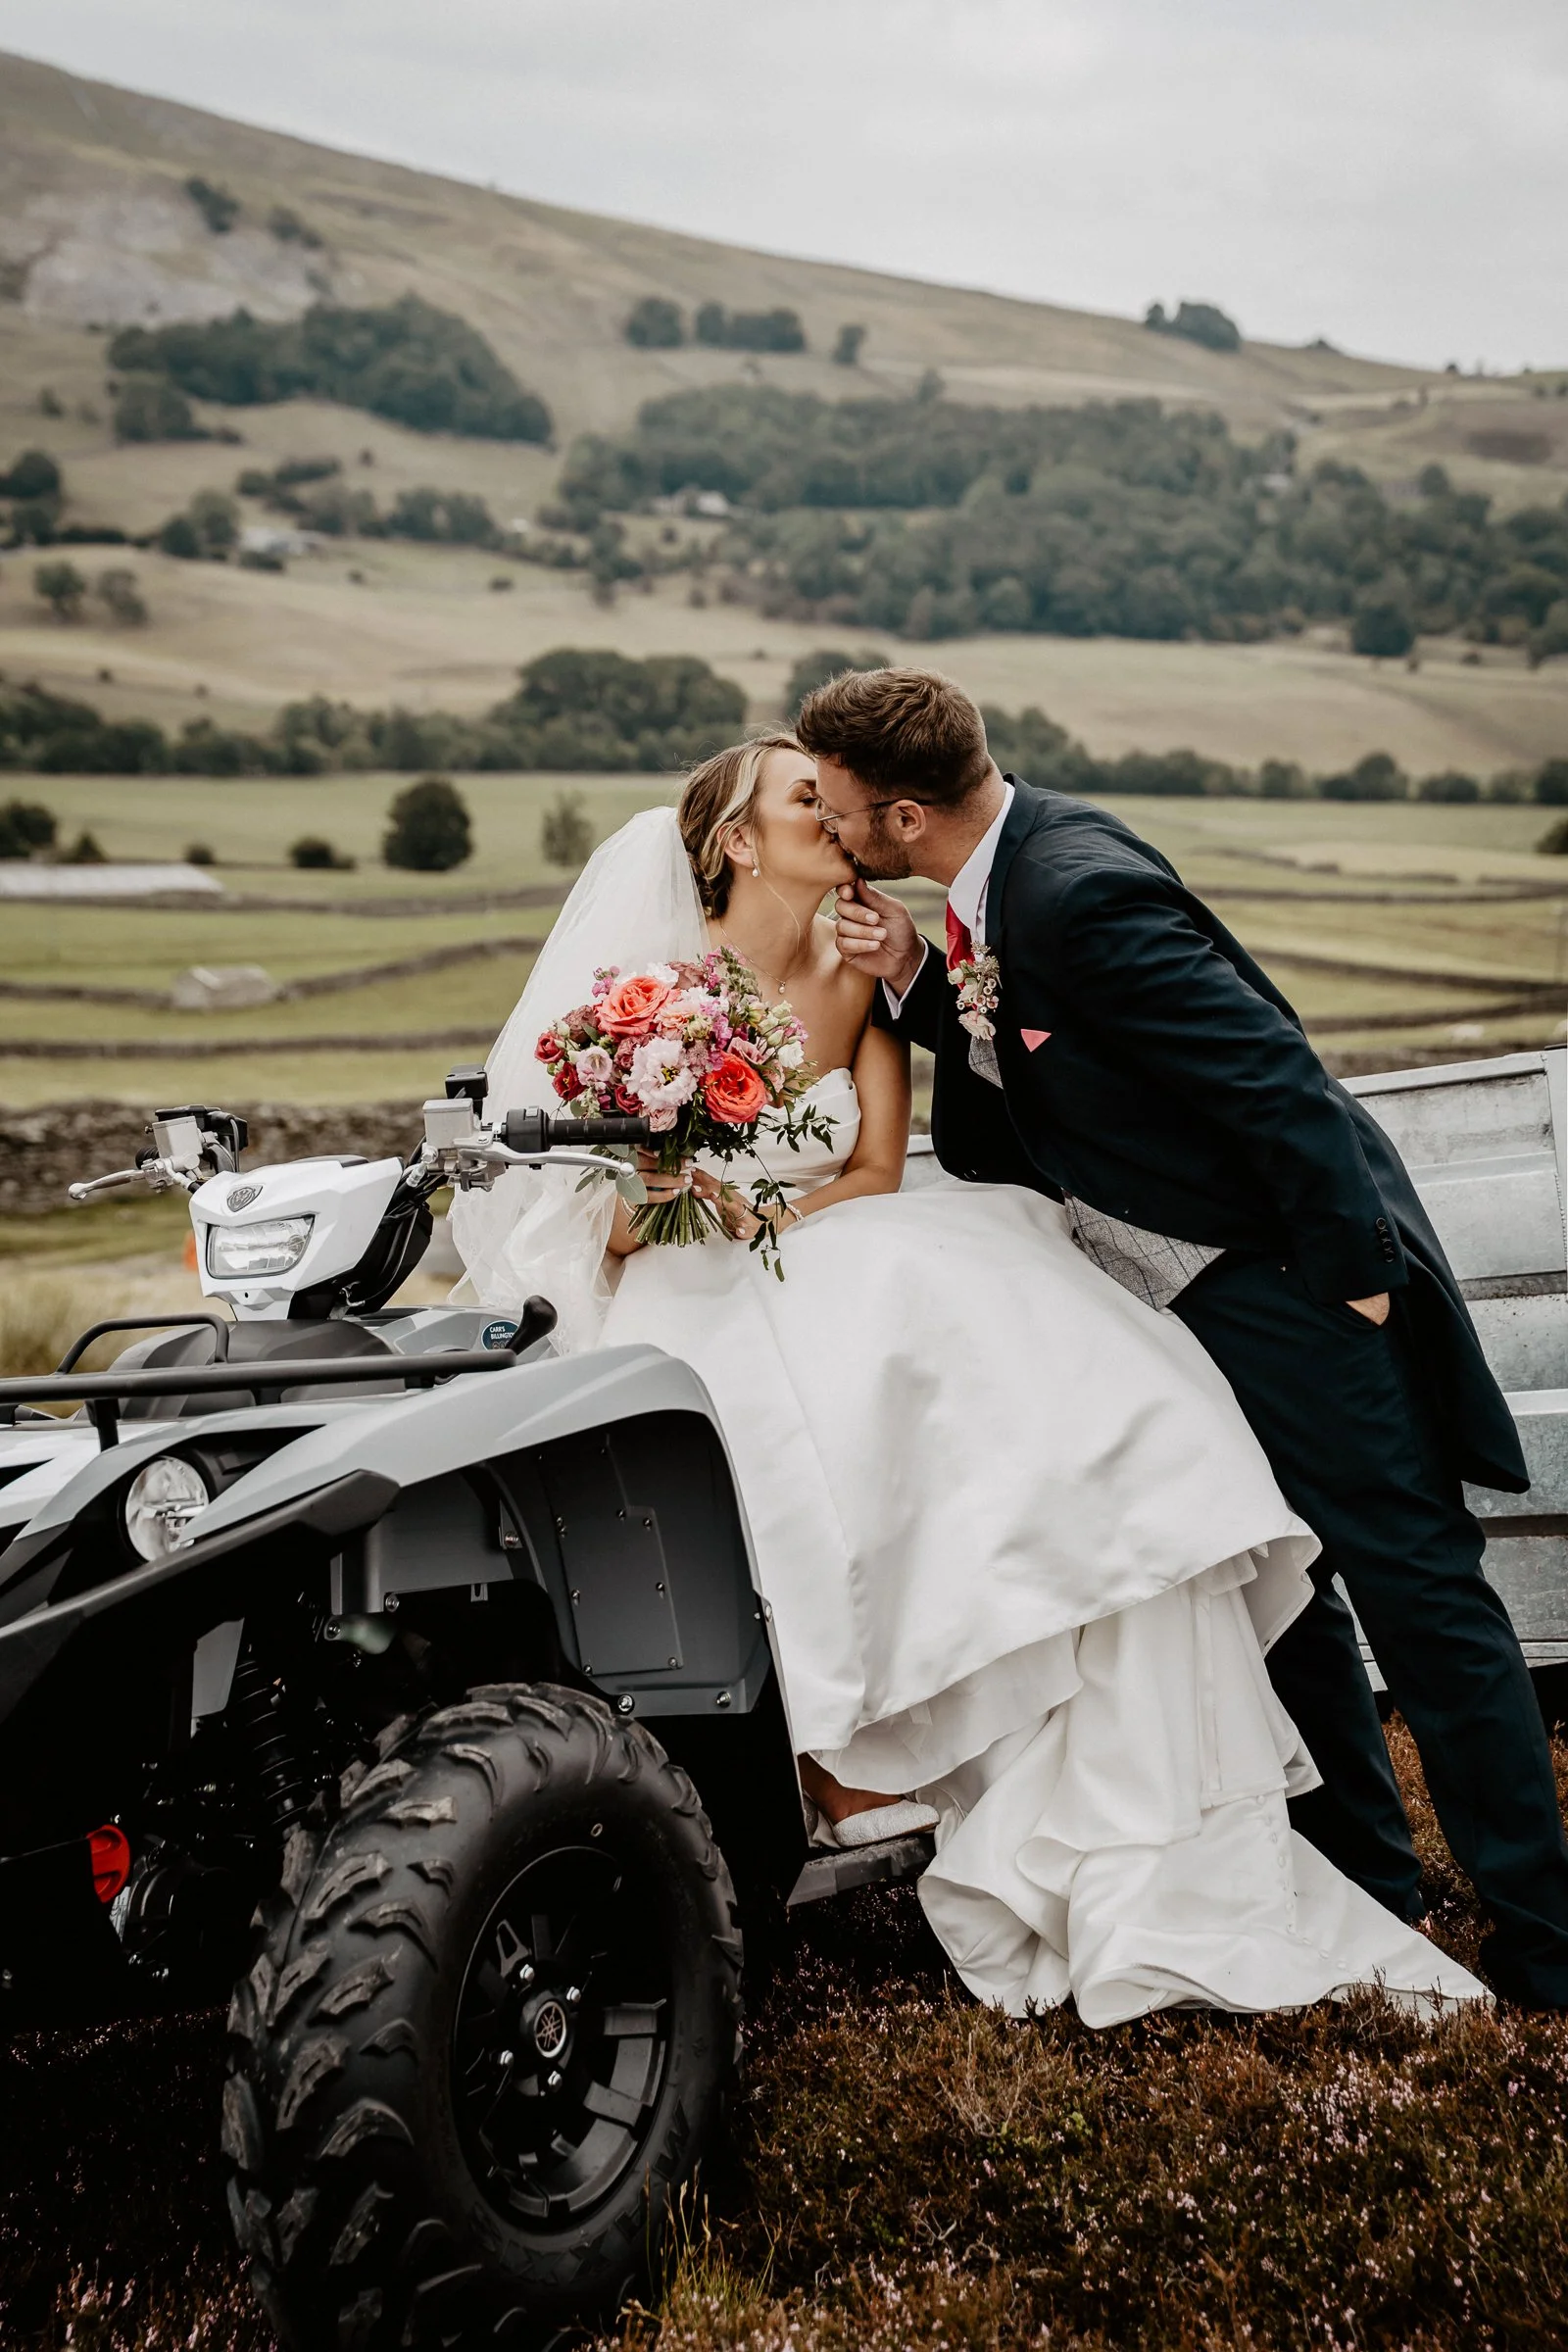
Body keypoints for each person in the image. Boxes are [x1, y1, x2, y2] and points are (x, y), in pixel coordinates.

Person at [451, 734, 1486, 2025]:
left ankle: (1103, 1744)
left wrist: (773, 1209)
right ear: (736, 840)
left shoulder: (866, 970)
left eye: (837, 798)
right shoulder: (646, 996)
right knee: (808, 1382)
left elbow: (876, 1171)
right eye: (805, 801)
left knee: (1049, 1356)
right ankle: (846, 1755)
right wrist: (687, 1203)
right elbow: (587, 1216)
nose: (833, 819)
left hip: (835, 1236)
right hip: (685, 1274)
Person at [812, 663, 1568, 2011]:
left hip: (1295, 1291)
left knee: (1422, 1597)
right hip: (1195, 1302)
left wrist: (1355, 1285)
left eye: (838, 806)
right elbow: (1063, 1065)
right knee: (1286, 1586)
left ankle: (1550, 1943)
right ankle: (1368, 1881)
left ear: (906, 819)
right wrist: (926, 982)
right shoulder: (1005, 872)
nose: (828, 826)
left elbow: (1273, 1076)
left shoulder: (1073, 891)